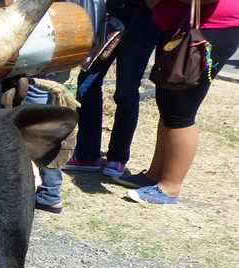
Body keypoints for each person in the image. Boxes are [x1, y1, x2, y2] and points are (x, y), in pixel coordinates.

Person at [116, 0, 239, 203]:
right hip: (183, 27)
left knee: (180, 111)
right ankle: (154, 176)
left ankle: (170, 187)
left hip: (208, 29)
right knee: (168, 104)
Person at [64, 0, 161, 178]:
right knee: (87, 83)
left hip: (142, 22)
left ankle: (117, 157)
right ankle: (87, 154)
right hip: (109, 17)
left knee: (126, 91)